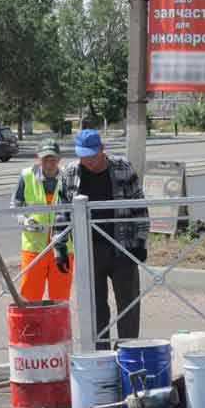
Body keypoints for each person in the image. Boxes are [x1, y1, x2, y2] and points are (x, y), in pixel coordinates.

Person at [54, 129, 149, 349]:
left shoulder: (122, 168)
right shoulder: (70, 173)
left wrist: (141, 243)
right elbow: (61, 213)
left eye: (91, 155)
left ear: (102, 150)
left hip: (123, 247)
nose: (86, 160)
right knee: (95, 308)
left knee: (129, 306)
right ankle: (101, 354)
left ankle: (127, 351)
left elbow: (139, 207)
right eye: (82, 155)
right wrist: (59, 249)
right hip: (89, 251)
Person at [10, 138, 72, 301]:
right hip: (33, 247)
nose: (50, 164)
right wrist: (23, 220)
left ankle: (58, 327)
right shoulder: (26, 176)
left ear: (59, 159)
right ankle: (30, 327)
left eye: (53, 160)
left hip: (63, 248)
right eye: (46, 160)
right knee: (29, 297)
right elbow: (15, 205)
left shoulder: (68, 177)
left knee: (60, 298)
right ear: (39, 159)